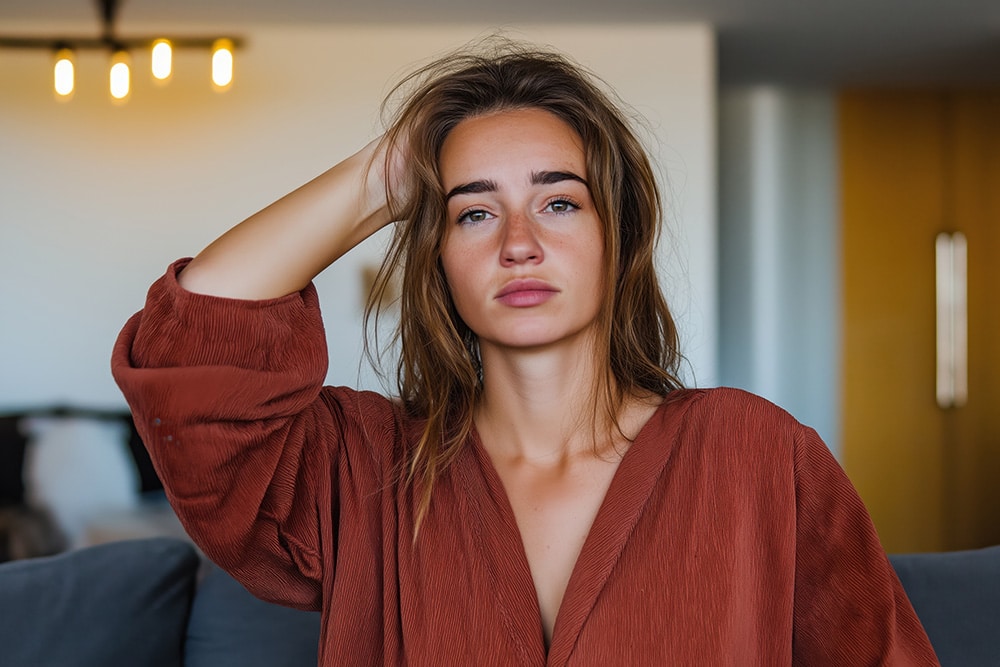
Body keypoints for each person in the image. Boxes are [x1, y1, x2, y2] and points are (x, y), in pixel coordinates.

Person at [112, 40, 938, 665]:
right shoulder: (364, 469)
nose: (519, 243)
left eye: (559, 203)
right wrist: (387, 174)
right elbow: (198, 341)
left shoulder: (758, 452)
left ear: (618, 236)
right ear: (436, 252)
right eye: (474, 213)